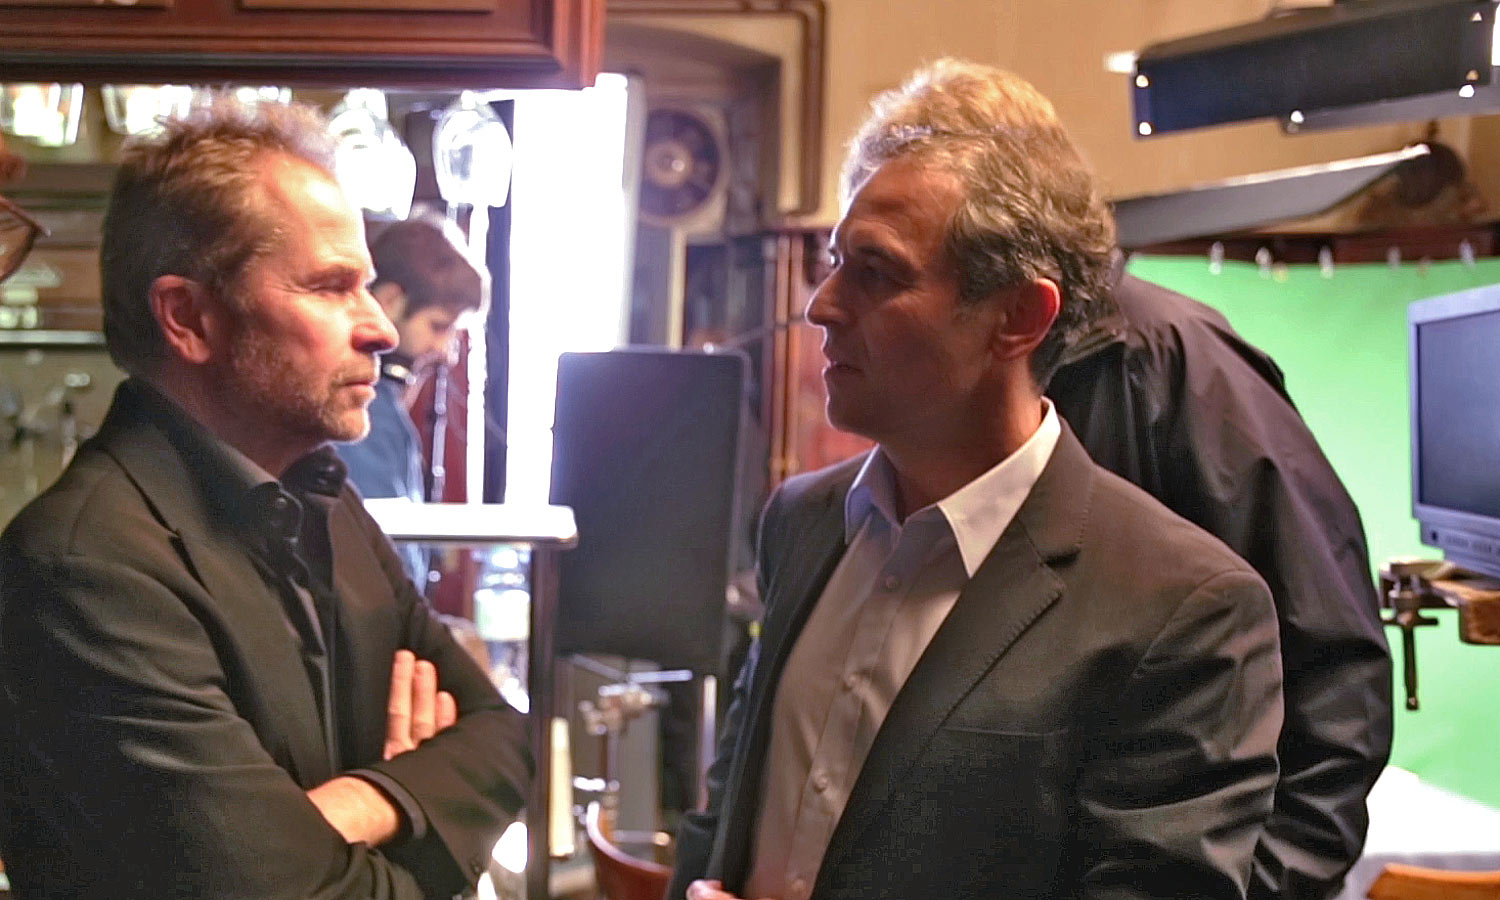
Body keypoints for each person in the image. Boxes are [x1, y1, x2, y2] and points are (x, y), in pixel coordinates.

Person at [668, 58, 1284, 900]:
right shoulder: (802, 519)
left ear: (1019, 318)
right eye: (835, 260)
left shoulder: (1183, 608)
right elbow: (729, 809)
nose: (822, 305)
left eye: (876, 272)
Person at [0, 97, 529, 899]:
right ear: (188, 318)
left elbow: (504, 740)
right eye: (331, 287)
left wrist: (366, 801)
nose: (380, 329)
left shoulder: (325, 498)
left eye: (366, 286)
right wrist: (425, 810)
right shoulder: (83, 570)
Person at [1048, 263, 1394, 900]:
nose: (847, 305)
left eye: (880, 271)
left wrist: (1267, 887)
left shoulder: (1165, 356)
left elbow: (1333, 662)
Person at [336, 216, 484, 583]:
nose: (445, 351)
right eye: (438, 326)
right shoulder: (367, 414)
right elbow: (389, 566)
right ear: (388, 301)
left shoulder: (386, 410)